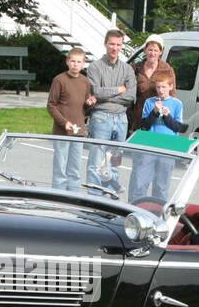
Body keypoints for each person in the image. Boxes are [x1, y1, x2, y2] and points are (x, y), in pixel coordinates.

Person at [85, 29, 136, 193]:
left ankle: (111, 194)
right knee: (96, 161)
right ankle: (93, 196)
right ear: (106, 44)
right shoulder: (95, 67)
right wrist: (118, 89)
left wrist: (106, 96)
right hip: (101, 118)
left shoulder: (127, 69)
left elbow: (130, 96)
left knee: (115, 160)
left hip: (121, 118)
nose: (115, 48)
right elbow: (96, 92)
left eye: (118, 44)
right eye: (112, 44)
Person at [129, 68, 187, 202]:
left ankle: (158, 210)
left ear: (170, 87)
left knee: (162, 184)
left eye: (164, 87)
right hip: (150, 144)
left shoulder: (177, 103)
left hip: (167, 146)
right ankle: (136, 206)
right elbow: (145, 125)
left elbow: (178, 127)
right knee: (141, 181)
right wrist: (155, 112)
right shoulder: (150, 102)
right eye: (158, 87)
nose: (161, 90)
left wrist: (167, 116)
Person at [47, 47, 91, 191]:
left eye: (79, 62)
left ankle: (73, 197)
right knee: (60, 168)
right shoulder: (59, 80)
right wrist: (64, 122)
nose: (75, 65)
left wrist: (89, 103)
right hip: (62, 132)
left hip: (78, 132)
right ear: (67, 62)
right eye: (73, 61)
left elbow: (84, 107)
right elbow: (51, 106)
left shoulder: (85, 82)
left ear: (84, 63)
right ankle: (57, 198)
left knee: (75, 169)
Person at [128, 34, 173, 136]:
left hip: (159, 120)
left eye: (156, 50)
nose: (152, 53)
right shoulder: (135, 68)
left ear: (160, 52)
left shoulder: (167, 69)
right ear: (145, 50)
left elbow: (172, 95)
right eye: (150, 50)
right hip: (139, 119)